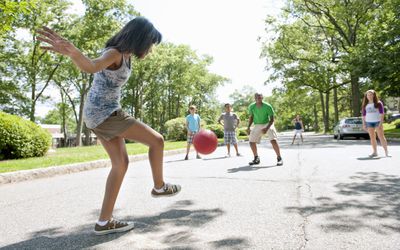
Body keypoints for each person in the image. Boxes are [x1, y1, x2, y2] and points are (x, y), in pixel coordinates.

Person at [37, 17, 181, 236]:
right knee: (157, 140)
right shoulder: (114, 53)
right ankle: (159, 186)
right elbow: (92, 66)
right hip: (104, 113)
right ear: (140, 38)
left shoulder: (126, 56)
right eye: (150, 43)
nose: (151, 49)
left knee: (121, 163)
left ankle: (104, 222)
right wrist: (73, 52)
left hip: (100, 114)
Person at [247, 93, 283, 166]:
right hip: (257, 124)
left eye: (259, 97)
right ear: (254, 98)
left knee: (273, 140)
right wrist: (248, 127)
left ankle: (279, 158)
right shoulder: (251, 106)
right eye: (256, 97)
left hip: (268, 123)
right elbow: (251, 117)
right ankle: (256, 158)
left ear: (262, 98)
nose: (258, 98)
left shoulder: (267, 106)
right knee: (251, 141)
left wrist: (266, 128)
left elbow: (272, 119)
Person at [361, 89, 391, 157]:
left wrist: (380, 123)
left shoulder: (378, 103)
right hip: (369, 122)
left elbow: (382, 113)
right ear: (366, 96)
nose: (369, 96)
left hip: (377, 122)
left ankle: (386, 152)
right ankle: (375, 152)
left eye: (371, 94)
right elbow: (363, 115)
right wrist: (364, 124)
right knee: (372, 138)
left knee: (381, 137)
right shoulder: (365, 104)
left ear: (374, 95)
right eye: (368, 95)